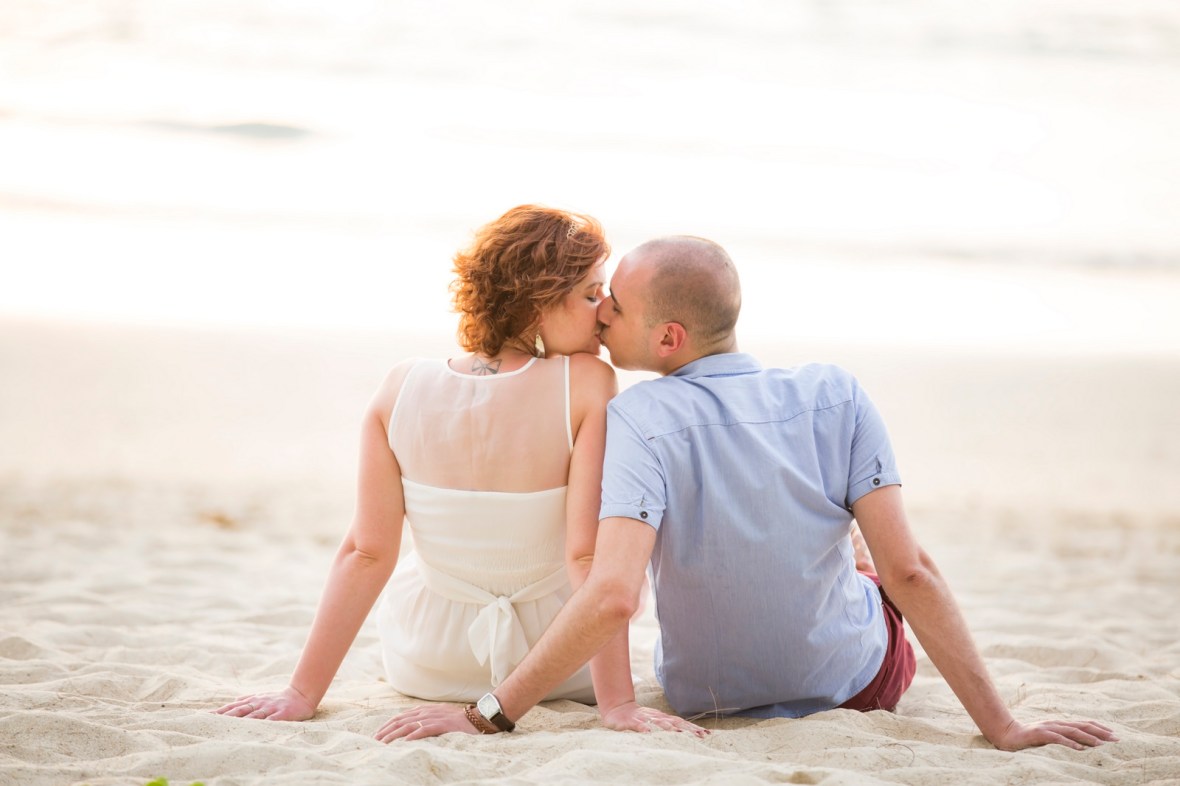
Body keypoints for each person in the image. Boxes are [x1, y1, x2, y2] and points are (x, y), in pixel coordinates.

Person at [379, 236, 1119, 752]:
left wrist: (486, 717)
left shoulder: (636, 418)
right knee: (863, 551)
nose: (600, 315)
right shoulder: (837, 393)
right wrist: (1003, 728)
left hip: (705, 696)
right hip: (857, 687)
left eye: (616, 308)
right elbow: (913, 573)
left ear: (667, 339)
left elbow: (610, 593)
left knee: (843, 547)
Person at [214, 207, 701, 738]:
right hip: (558, 666)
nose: (605, 311)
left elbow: (365, 553)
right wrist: (618, 705)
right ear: (538, 303)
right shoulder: (585, 382)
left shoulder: (400, 386)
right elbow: (586, 558)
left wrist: (301, 693)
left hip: (427, 660)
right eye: (590, 293)